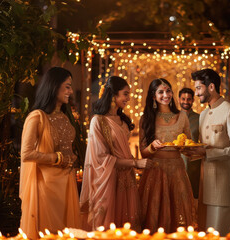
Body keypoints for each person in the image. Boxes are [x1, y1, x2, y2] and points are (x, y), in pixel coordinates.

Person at [79, 76, 152, 231]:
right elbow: (101, 157)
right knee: (107, 224)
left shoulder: (123, 120)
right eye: (125, 94)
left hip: (126, 178)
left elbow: (123, 150)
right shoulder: (98, 121)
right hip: (107, 180)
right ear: (113, 95)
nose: (128, 98)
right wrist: (135, 163)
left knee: (127, 225)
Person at [20, 67, 80, 239]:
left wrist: (71, 157)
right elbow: (26, 154)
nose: (70, 91)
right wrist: (57, 158)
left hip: (67, 183)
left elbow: (66, 147)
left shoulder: (65, 117)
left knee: (66, 233)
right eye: (67, 86)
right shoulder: (37, 117)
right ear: (54, 86)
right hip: (46, 186)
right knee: (47, 232)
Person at [184, 68, 230, 236]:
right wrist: (193, 153)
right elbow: (206, 147)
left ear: (211, 87)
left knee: (223, 231)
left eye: (198, 88)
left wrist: (207, 154)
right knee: (205, 230)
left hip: (223, 183)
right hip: (205, 183)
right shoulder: (203, 114)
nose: (196, 93)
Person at [139, 78, 196, 233]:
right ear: (153, 96)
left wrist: (187, 149)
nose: (166, 94)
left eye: (168, 90)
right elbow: (142, 152)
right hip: (155, 171)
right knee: (155, 217)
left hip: (177, 170)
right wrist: (152, 147)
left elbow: (188, 143)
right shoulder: (146, 119)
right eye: (161, 92)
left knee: (178, 215)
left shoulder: (182, 116)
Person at [178, 88, 200, 199]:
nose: (186, 101)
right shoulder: (173, 118)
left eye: (189, 99)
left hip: (194, 165)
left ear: (193, 100)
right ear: (178, 100)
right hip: (176, 163)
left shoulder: (199, 118)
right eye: (183, 99)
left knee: (193, 197)